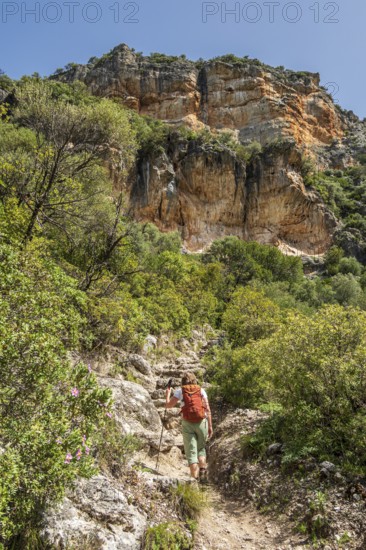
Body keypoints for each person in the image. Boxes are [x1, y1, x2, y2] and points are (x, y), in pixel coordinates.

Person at [165, 371, 213, 482]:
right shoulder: (201, 390)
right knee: (201, 449)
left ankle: (194, 481)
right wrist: (210, 426)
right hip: (202, 422)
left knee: (191, 453)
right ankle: (203, 475)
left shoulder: (180, 391)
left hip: (187, 423)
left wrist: (167, 396)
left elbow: (168, 405)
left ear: (183, 381)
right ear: (195, 380)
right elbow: (208, 410)